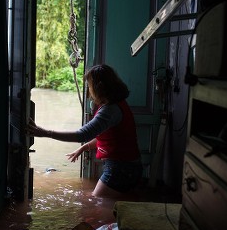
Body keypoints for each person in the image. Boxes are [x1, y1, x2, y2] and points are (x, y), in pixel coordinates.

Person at [27, 64, 143, 198]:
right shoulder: (116, 104)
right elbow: (109, 137)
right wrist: (84, 148)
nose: (88, 91)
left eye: (89, 86)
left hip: (121, 169)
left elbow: (82, 134)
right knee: (92, 198)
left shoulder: (110, 110)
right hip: (126, 167)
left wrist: (45, 133)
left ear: (99, 87)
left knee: (96, 205)